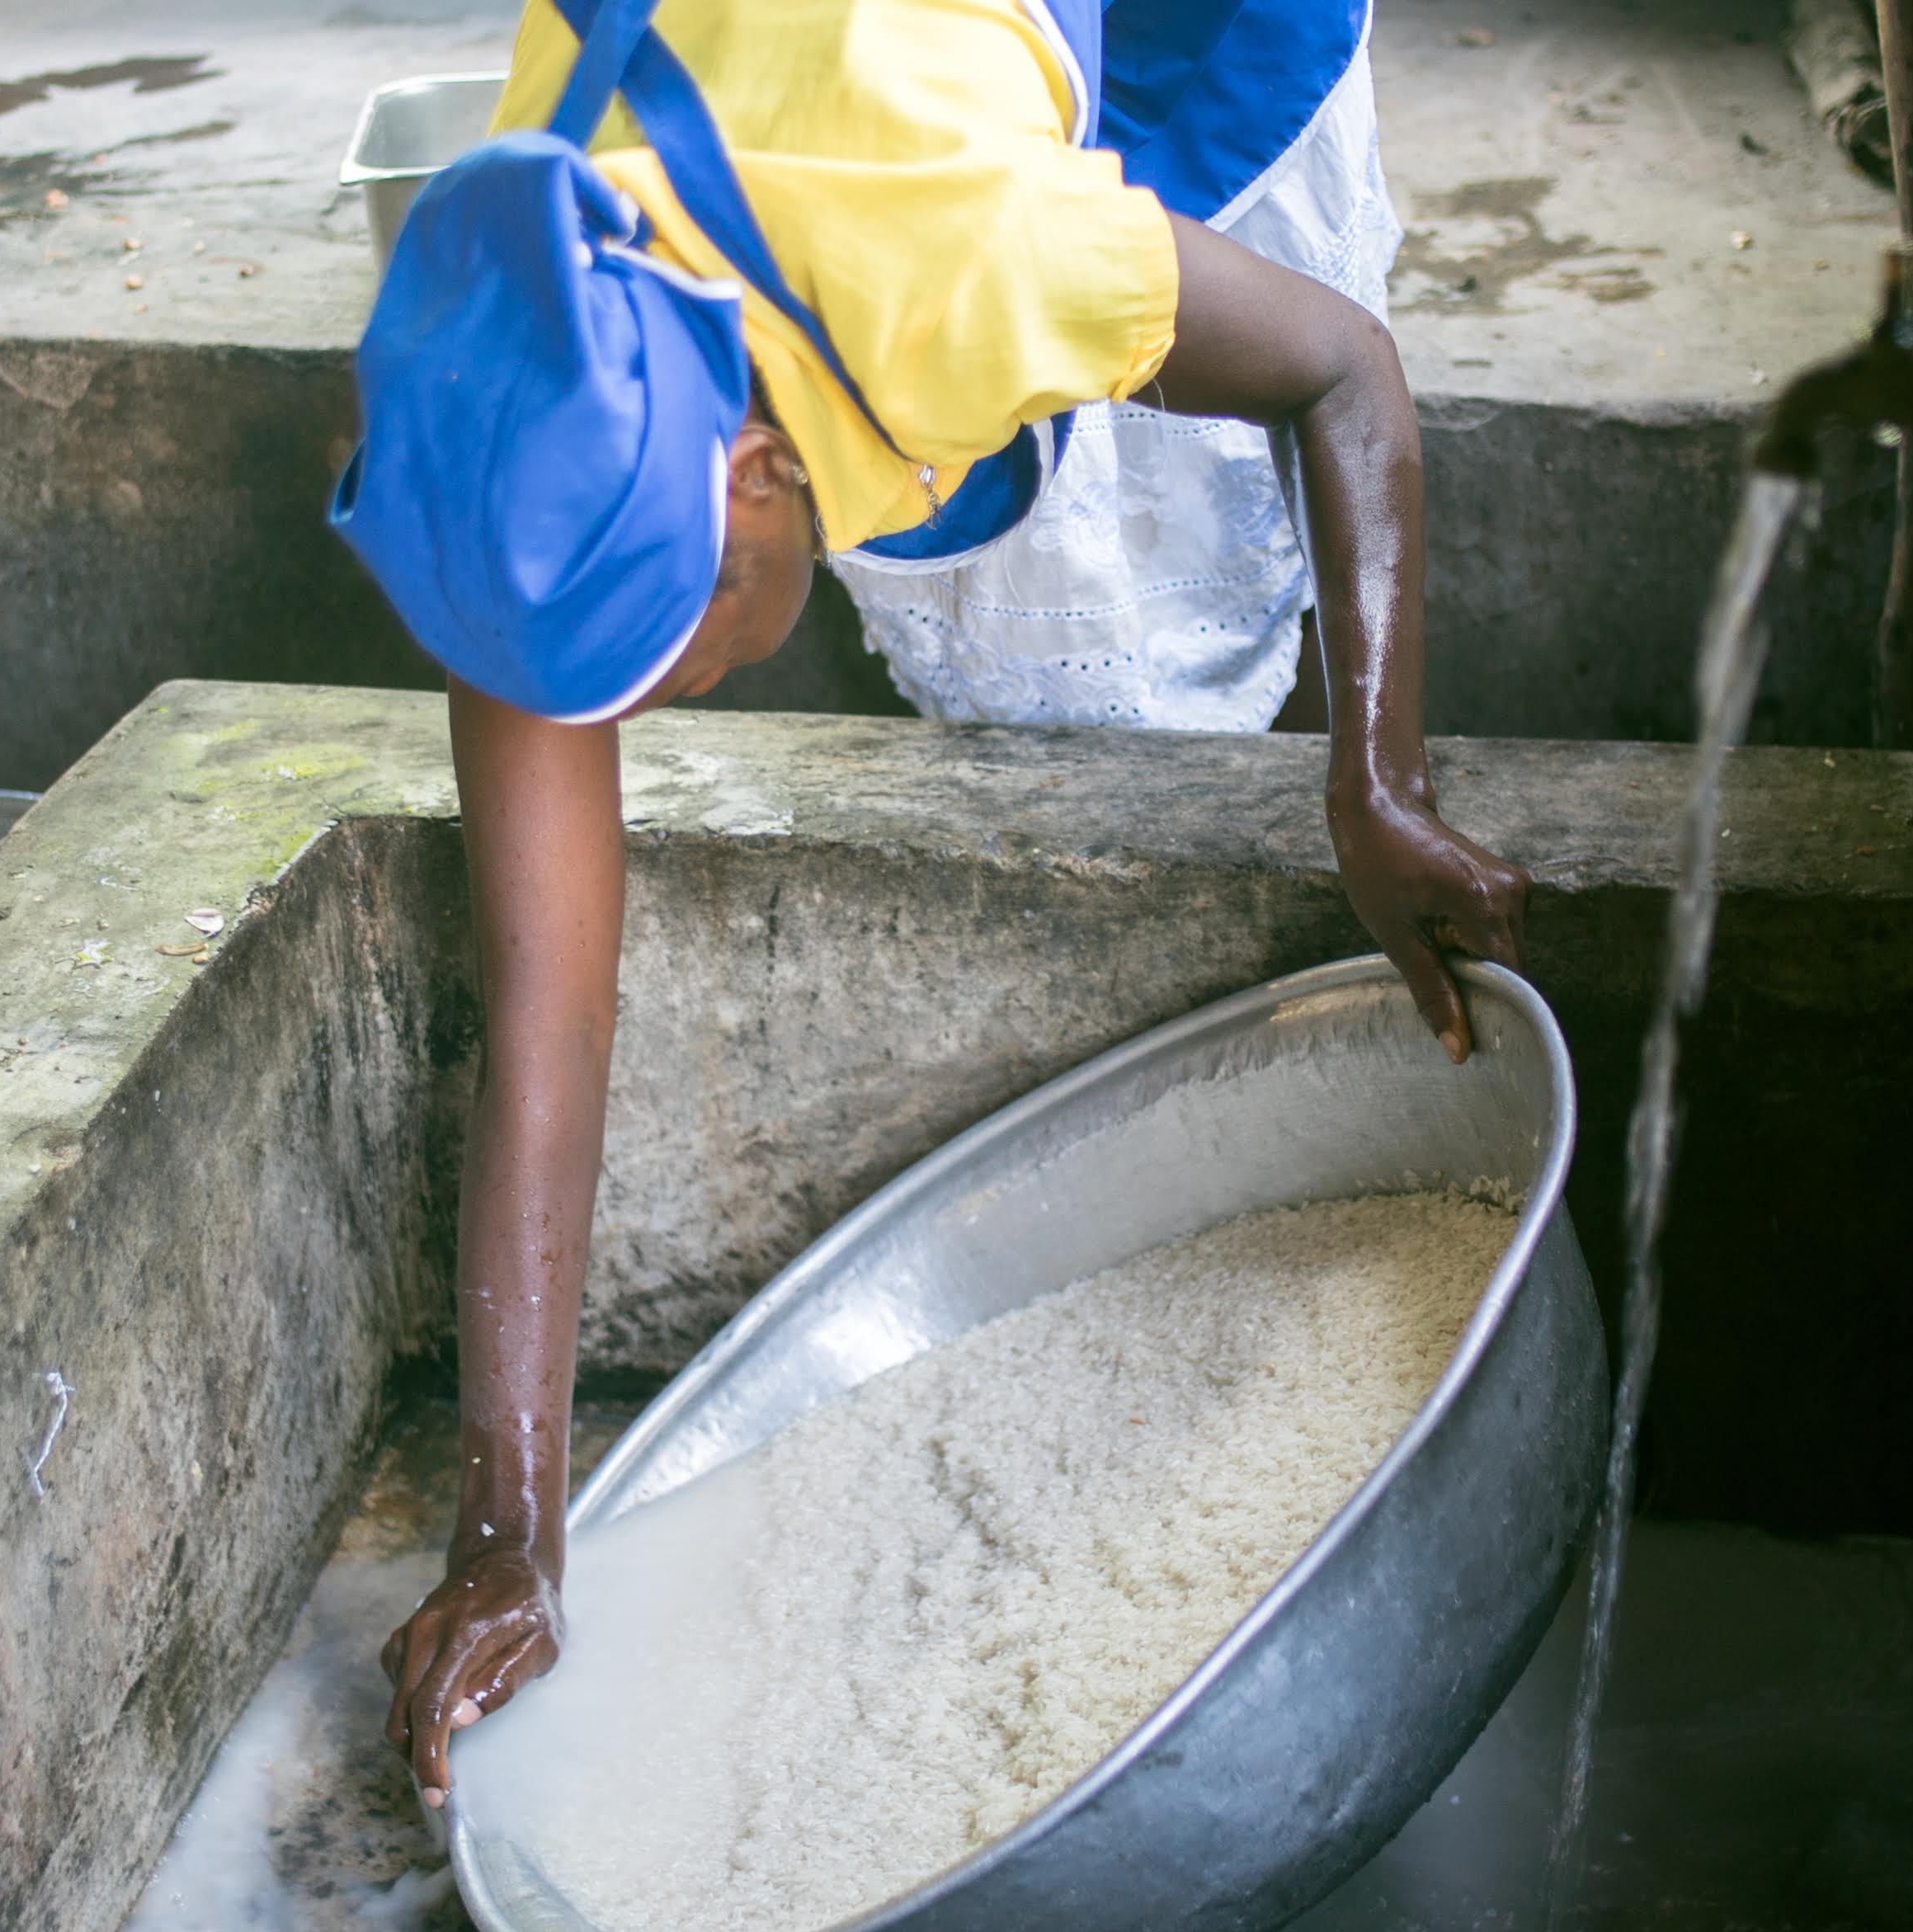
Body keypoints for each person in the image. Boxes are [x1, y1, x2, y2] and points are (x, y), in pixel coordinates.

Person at [354, 0, 1529, 1807]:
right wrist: (513, 1525)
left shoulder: (964, 256)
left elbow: (1337, 373)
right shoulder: (538, 406)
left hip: (1119, 68)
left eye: (652, 674)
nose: (630, 721)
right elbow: (547, 1008)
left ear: (753, 473)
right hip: (811, 104)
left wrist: (1373, 782)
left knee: (1174, 474)